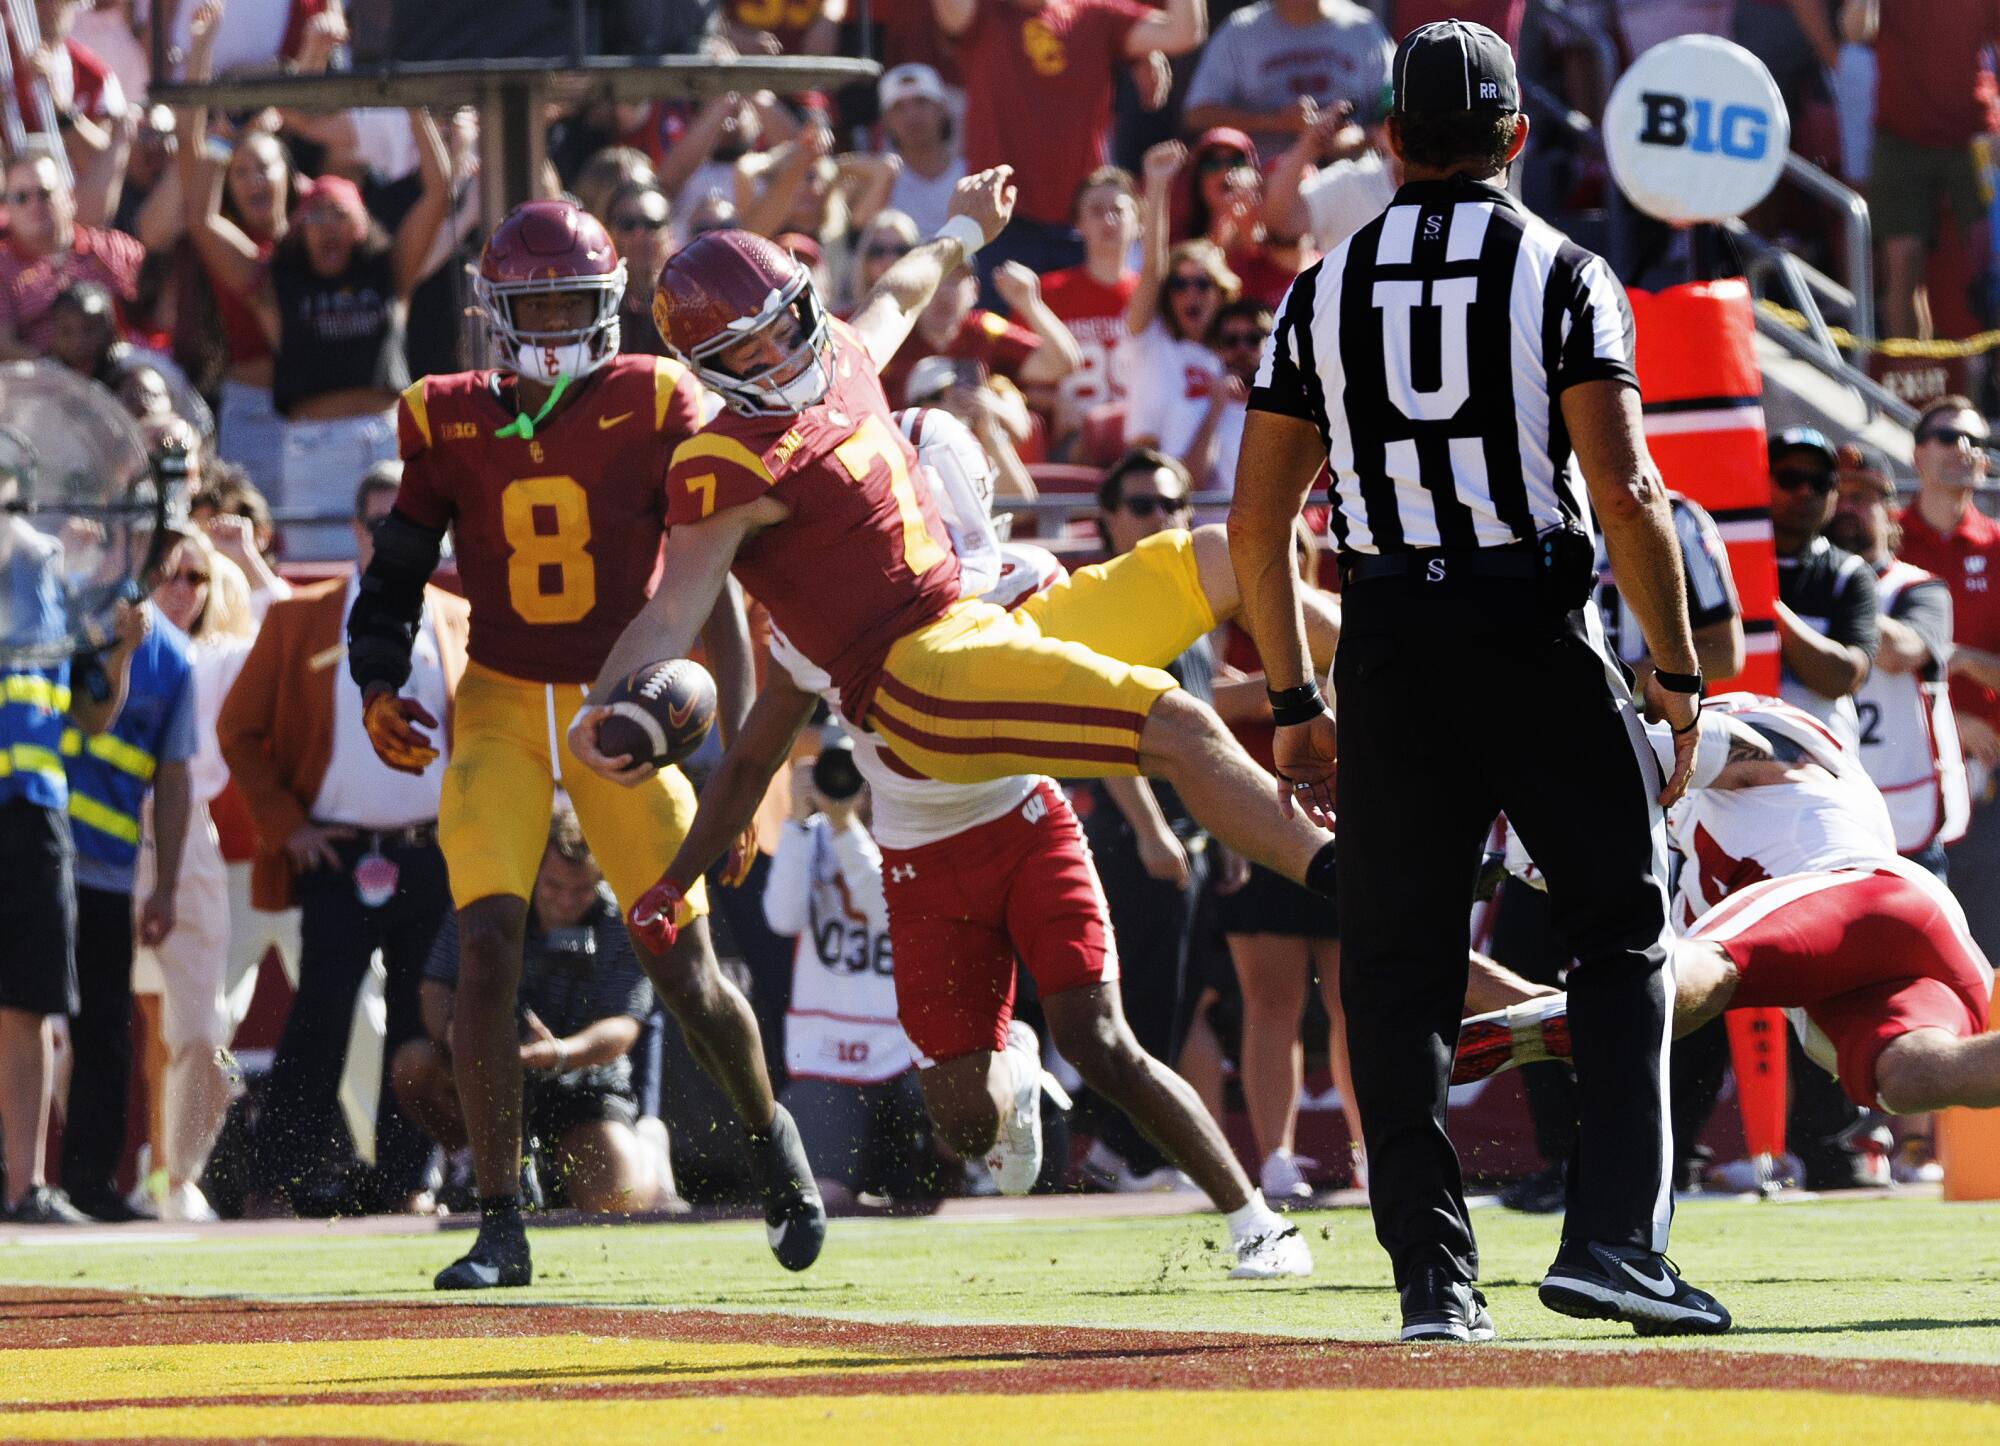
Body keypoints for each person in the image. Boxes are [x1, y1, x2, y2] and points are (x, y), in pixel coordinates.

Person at [1226, 21, 1725, 1341]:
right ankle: (1616, 1238)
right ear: (1515, 136)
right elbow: (1624, 490)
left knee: (1396, 969)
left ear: (1392, 139)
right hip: (1528, 620)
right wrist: (1676, 674)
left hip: (1388, 643)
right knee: (1621, 930)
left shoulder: (1318, 289)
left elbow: (1256, 520)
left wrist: (1290, 697)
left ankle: (1433, 1285)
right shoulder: (1563, 270)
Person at [574, 173, 1344, 1020]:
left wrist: (962, 229)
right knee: (1181, 725)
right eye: (744, 352)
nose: (778, 354)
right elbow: (672, 613)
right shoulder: (727, 466)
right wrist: (599, 709)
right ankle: (1357, 885)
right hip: (919, 681)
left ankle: (1422, 685)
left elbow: (899, 292)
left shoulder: (846, 358)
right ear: (710, 372)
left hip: (983, 626)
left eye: (785, 325)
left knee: (1224, 552)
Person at [632, 404, 1319, 1275]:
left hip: (1027, 828)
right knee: (958, 1121)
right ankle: (1017, 1066)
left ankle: (1256, 1219)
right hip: (920, 866)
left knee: (1101, 1039)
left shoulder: (1015, 579)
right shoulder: (820, 627)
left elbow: (1099, 707)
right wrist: (675, 876)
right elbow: (749, 763)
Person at [342, 199, 817, 1292]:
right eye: (535, 303)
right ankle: (500, 1220)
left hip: (623, 705)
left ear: (608, 305)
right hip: (503, 697)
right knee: (487, 952)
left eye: (571, 301)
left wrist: (737, 772)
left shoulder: (657, 396)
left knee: (683, 961)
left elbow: (723, 587)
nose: (554, 322)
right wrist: (377, 676)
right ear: (495, 316)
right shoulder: (441, 414)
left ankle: (770, 1147)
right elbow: (398, 569)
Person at [1457, 696, 1997, 1123]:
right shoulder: (1686, 877)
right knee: (1911, 1078)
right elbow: (1629, 1014)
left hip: (1859, 895)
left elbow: (1735, 749)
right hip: (1886, 966)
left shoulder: (1761, 755)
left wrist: (1530, 800)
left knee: (1664, 982)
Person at [217, 469, 469, 1218]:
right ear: (355, 531)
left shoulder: (459, 620)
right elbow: (238, 731)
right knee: (319, 1013)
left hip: (433, 851)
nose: (392, 536)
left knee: (417, 1015)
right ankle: (277, 1181)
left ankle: (405, 1181)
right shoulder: (303, 619)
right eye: (378, 521)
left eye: (409, 522)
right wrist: (287, 825)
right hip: (336, 853)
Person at [1493, 487, 1746, 1213]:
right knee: (1522, 955)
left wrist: (1630, 682)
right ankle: (1567, 1156)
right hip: (1544, 762)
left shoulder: (1676, 516)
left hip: (1654, 761)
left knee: (1674, 955)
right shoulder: (1518, 505)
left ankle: (1676, 1148)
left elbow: (1725, 647)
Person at [393, 809, 668, 1214]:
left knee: (617, 1200)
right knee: (413, 1066)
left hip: (583, 1084)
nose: (566, 902)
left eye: (582, 890)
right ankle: (471, 1159)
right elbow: (435, 988)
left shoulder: (622, 921)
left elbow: (624, 1025)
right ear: (533, 868)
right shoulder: (485, 904)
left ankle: (647, 1144)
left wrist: (561, 1053)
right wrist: (461, 1038)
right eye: (554, 886)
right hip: (488, 1074)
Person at [0, 500, 137, 1224]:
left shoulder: (51, 573)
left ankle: (26, 1189)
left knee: (31, 1001)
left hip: (36, 811)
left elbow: (92, 714)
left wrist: (119, 651)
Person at [128, 526, 261, 1222]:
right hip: (101, 828)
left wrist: (245, 560)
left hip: (190, 836)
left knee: (201, 1032)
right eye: (169, 574)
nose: (182, 589)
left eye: (196, 577)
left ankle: (173, 1182)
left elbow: (287, 628)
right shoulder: (111, 641)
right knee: (56, 1026)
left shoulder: (216, 656)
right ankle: (67, 1182)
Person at [57, 562, 195, 1225]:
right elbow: (86, 720)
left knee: (104, 1032)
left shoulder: (175, 659)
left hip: (107, 873)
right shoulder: (51, 606)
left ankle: (89, 1184)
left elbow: (173, 776)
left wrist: (164, 885)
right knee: (17, 1020)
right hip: (25, 850)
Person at [247, 112, 451, 559]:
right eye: (315, 214)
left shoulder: (389, 272)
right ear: (299, 231)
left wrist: (413, 109)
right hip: (313, 448)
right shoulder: (278, 283)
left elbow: (439, 191)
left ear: (360, 223)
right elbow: (206, 223)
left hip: (386, 438)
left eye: (338, 212)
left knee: (410, 569)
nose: (327, 225)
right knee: (317, 574)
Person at [764, 739, 940, 1210]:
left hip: (913, 1053)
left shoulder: (922, 831)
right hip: (828, 1054)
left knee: (938, 1187)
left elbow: (887, 909)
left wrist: (842, 826)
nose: (854, 786)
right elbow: (782, 918)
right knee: (823, 1198)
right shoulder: (813, 833)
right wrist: (800, 821)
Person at [932, 0, 1206, 292]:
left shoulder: (1097, 14)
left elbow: (1183, 32)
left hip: (1083, 226)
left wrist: (1139, 55)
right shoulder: (983, 14)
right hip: (1000, 223)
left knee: (1086, 337)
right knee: (1005, 337)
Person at [1828, 443, 1969, 875]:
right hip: (1827, 817)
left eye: (1862, 496)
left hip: (1903, 822)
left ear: (1890, 510)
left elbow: (1900, 652)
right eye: (1837, 494)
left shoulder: (1917, 588)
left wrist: (1826, 579)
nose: (1847, 506)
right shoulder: (1796, 581)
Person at [1893, 399, 2000, 959]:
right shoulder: (1882, 539)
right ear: (1917, 453)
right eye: (1946, 435)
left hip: (1985, 781)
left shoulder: (1999, 547)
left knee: (1987, 945)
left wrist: (1958, 659)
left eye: (1976, 441)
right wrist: (1948, 719)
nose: (1964, 448)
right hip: (1894, 770)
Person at [1867, 1, 2000, 339]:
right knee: (1902, 265)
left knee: (1992, 269)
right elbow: (1856, 32)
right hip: (1901, 135)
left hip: (1975, 138)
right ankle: (1909, 384)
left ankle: (1988, 378)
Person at [1767, 427, 1879, 751]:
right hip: (1729, 776)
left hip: (1820, 771)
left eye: (1820, 483)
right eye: (1790, 478)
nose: (1805, 492)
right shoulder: (1719, 559)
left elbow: (1843, 677)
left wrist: (1765, 607)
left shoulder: (1849, 574)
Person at [1181, 0, 1393, 163]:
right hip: (1262, 189)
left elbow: (1397, 107)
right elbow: (1196, 114)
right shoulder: (1240, 31)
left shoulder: (1364, 29)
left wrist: (1362, 137)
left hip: (1352, 184)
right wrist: (1276, 121)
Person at [0, 141, 145, 359]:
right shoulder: (3, 267)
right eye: (21, 198)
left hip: (121, 369)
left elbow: (158, 309)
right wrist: (59, 374)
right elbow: (4, 345)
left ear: (69, 199)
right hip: (45, 382)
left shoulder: (112, 247)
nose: (34, 205)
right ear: (6, 209)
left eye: (45, 193)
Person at [878, 258, 1078, 409]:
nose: (942, 292)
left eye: (953, 280)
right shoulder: (891, 332)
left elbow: (1062, 364)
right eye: (933, 280)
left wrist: (1029, 304)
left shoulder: (984, 331)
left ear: (974, 290)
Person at [1040, 167, 1142, 454]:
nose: (1109, 220)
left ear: (1138, 221)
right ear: (1079, 224)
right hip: (1073, 445)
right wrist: (1056, 402)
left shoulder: (1153, 296)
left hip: (1141, 442)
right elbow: (1015, 378)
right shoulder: (1047, 293)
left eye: (1118, 210)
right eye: (1096, 211)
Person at [877, 64, 966, 239]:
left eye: (921, 102)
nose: (911, 115)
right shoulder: (880, 182)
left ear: (942, 108)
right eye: (899, 107)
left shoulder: (971, 175)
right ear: (886, 121)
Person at [606, 181, 676, 356]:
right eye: (627, 224)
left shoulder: (687, 302)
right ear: (608, 231)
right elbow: (566, 378)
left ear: (670, 233)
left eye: (652, 224)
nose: (640, 234)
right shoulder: (595, 304)